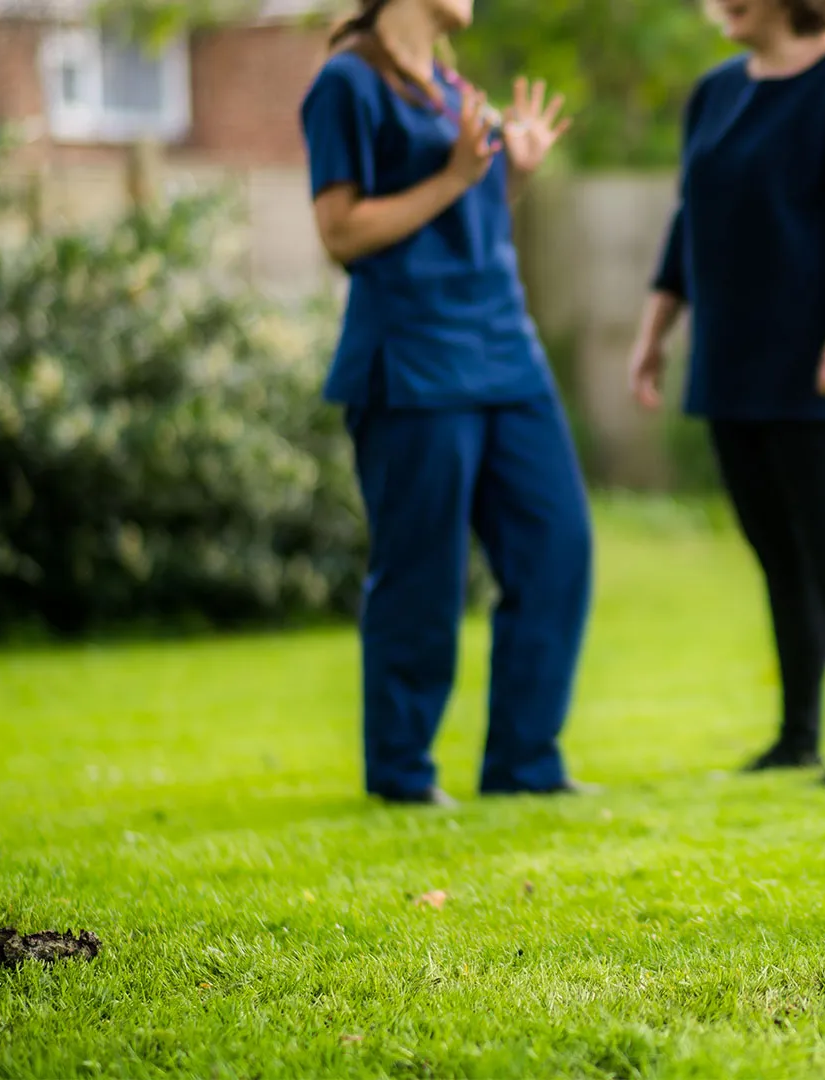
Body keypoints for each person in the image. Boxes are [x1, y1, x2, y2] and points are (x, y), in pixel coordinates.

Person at [299, 0, 592, 806]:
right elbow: (341, 232)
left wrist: (513, 173)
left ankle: (524, 763)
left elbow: (464, 219)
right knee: (421, 576)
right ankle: (401, 774)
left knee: (558, 551)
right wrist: (457, 175)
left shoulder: (449, 84)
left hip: (505, 348)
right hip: (413, 357)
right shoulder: (346, 84)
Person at [627, 0, 825, 784]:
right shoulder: (715, 92)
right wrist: (655, 332)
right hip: (732, 360)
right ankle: (797, 736)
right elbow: (688, 225)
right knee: (777, 556)